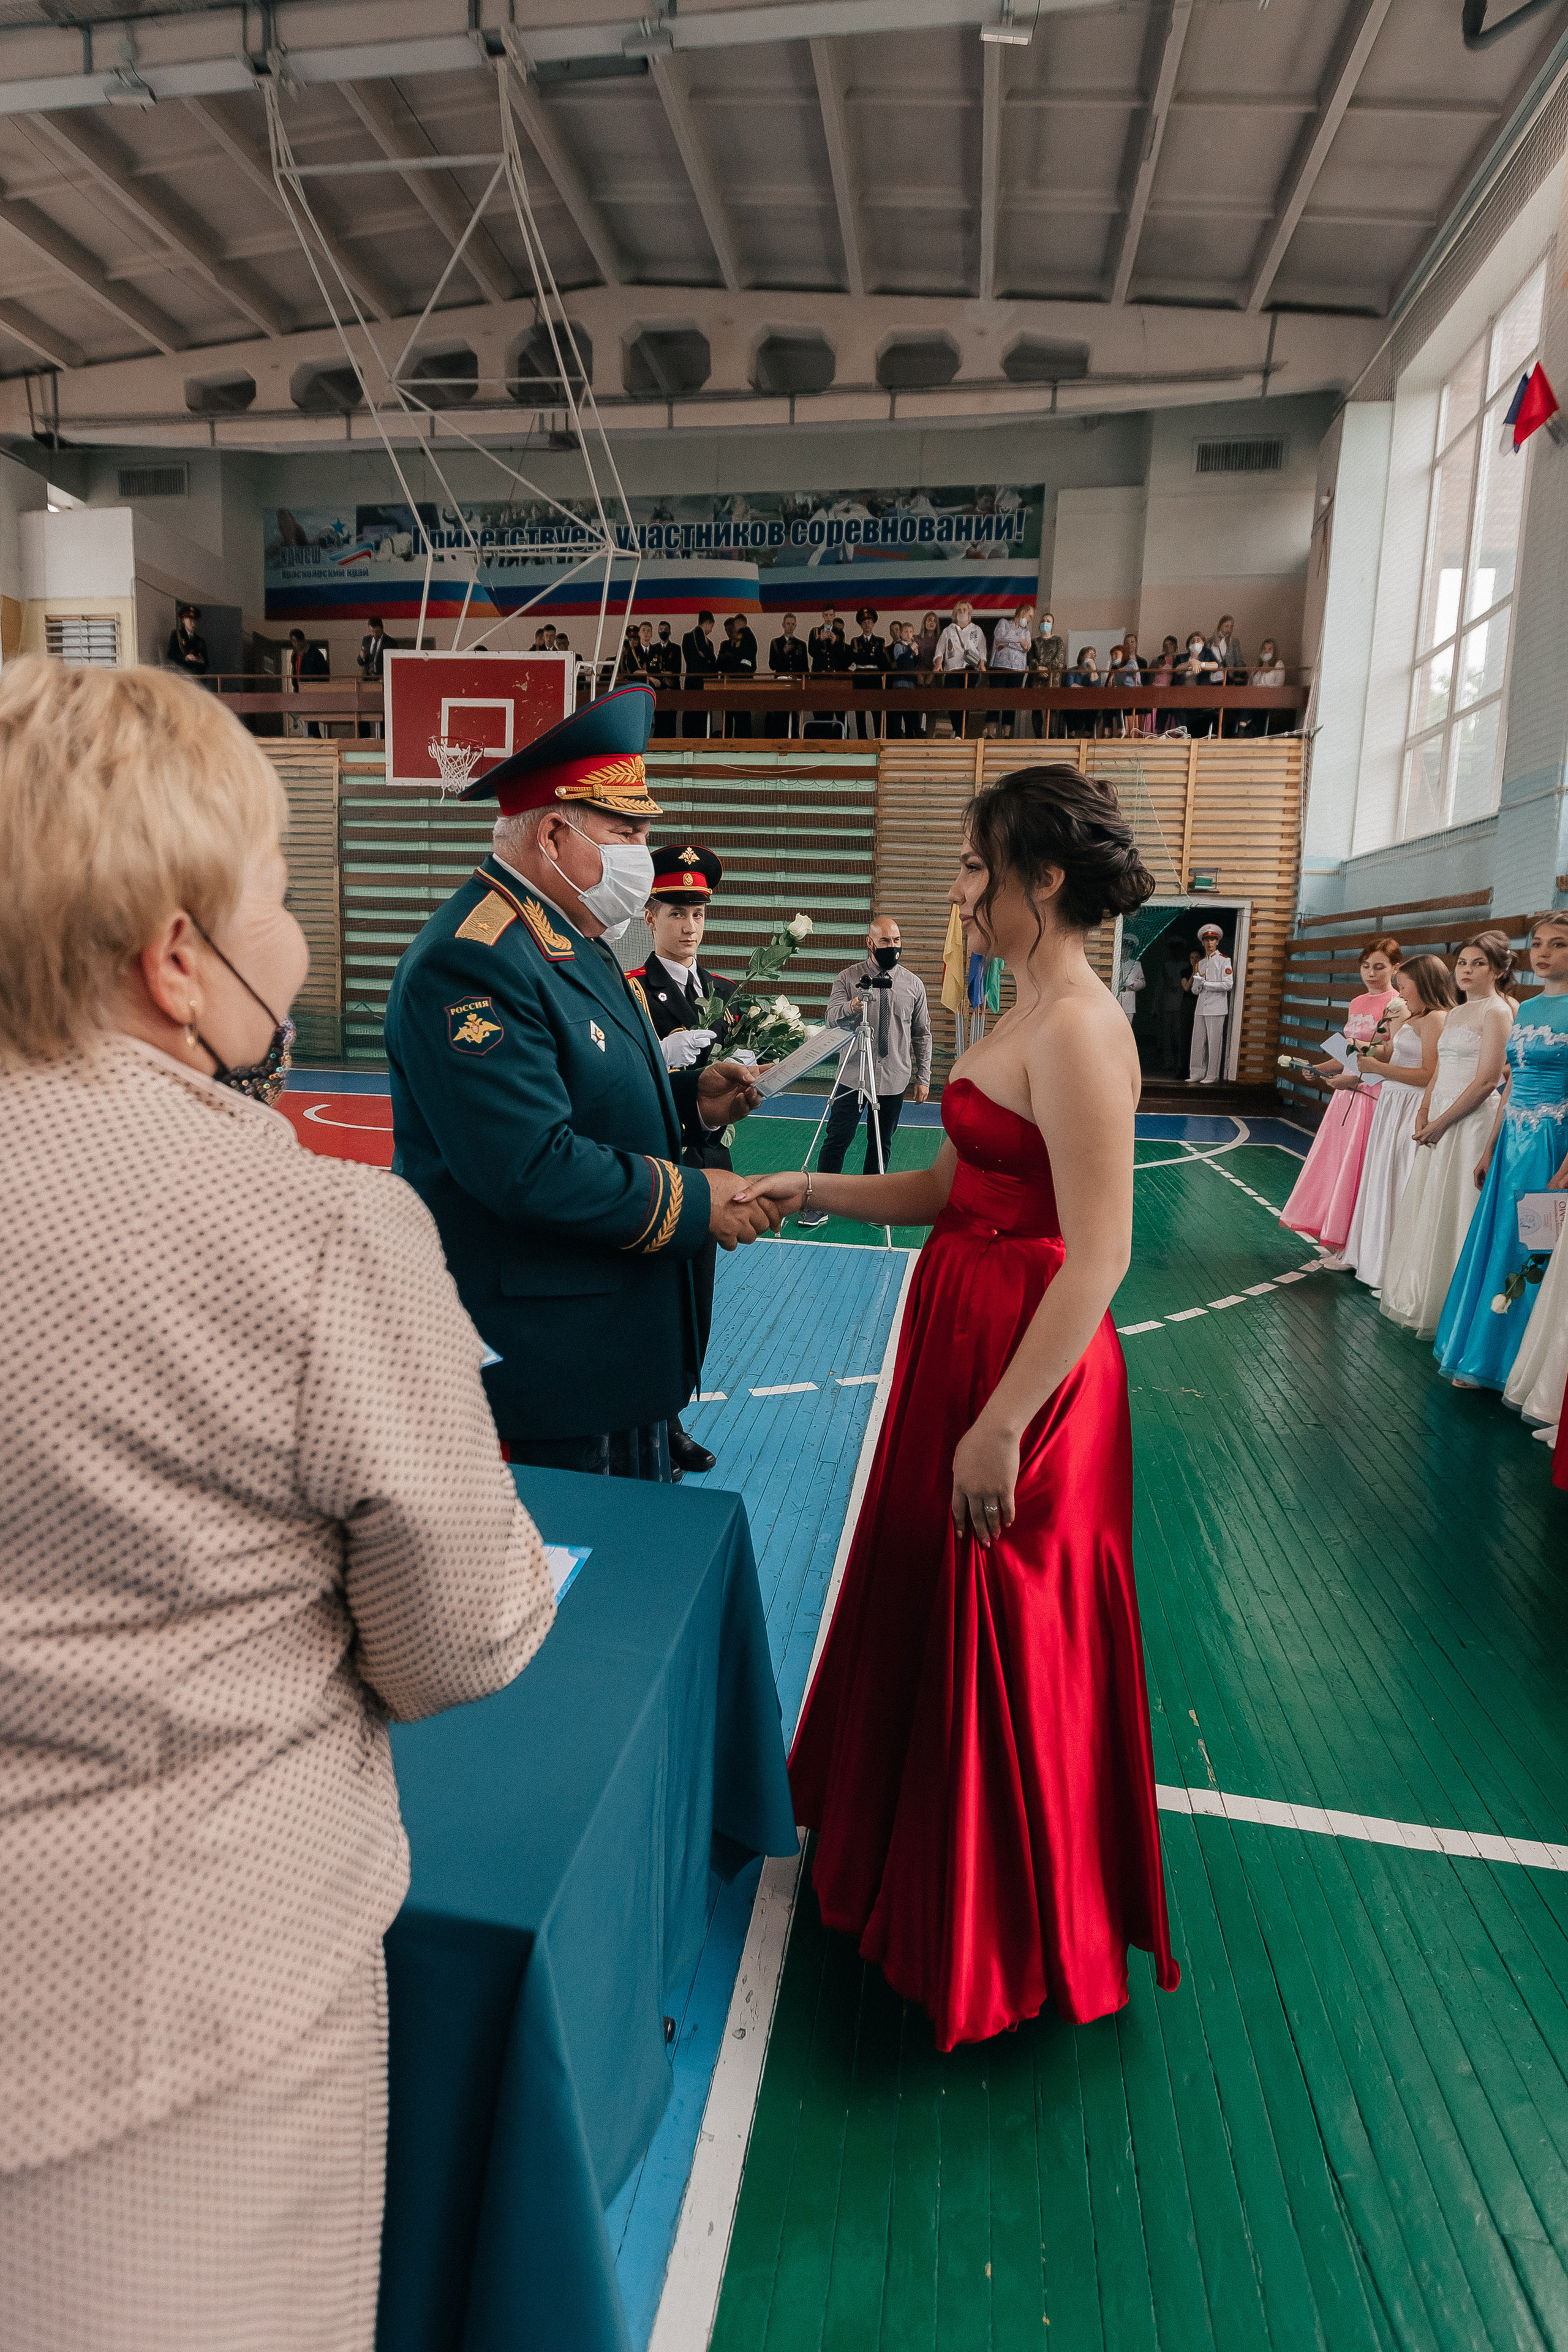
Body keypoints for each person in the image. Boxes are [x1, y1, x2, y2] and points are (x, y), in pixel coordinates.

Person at [0, 657, 554, 2350]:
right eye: (274, 894)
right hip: (180, 2036)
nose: (294, 936)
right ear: (179, 954)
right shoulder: (313, 1235)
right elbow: (463, 1636)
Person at [731, 764, 1179, 2048]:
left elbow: (1096, 1253)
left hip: (1025, 1370)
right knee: (940, 1607)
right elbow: (948, 1185)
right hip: (964, 1329)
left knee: (1008, 1628)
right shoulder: (1015, 1011)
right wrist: (808, 1194)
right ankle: (927, 1878)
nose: (960, 890)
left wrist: (998, 1423)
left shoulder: (1082, 1026)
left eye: (978, 866)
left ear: (1042, 878)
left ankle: (1009, 1931)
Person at [382, 686, 781, 1480]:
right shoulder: (475, 959)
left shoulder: (574, 938)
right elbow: (527, 1165)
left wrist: (689, 1100)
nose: (644, 851)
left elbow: (584, 1089)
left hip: (609, 1345)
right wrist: (698, 1201)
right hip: (550, 1368)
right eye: (626, 831)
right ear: (555, 834)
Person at [627, 844, 736, 1476]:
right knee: (656, 1300)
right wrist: (661, 1058)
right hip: (658, 1167)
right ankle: (657, 1420)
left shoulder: (726, 992)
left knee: (697, 1300)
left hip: (711, 1168)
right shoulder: (631, 992)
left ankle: (675, 1411)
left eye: (697, 913)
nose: (689, 926)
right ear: (650, 917)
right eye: (675, 913)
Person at [1434, 910, 1568, 1392]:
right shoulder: (1528, 1009)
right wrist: (1490, 1146)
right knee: (1498, 1237)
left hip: (1551, 1147)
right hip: (1512, 1141)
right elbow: (1510, 1086)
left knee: (1536, 1245)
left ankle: (1520, 1363)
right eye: (1538, 943)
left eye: (1558, 944)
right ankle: (1484, 1353)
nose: (1545, 953)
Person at [1382, 933, 1515, 1336]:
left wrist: (1442, 1123)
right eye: (1463, 963)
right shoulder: (1458, 1012)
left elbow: (1487, 1081)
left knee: (1460, 1207)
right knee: (1433, 1202)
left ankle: (1458, 1306)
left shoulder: (1496, 1012)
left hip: (1469, 1122)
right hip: (1439, 1114)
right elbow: (1440, 1069)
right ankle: (1427, 1291)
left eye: (1478, 964)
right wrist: (1425, 1110)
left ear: (1498, 970)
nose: (1467, 971)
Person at [799, 917, 932, 1227]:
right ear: (870, 943)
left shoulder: (913, 984)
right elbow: (831, 1018)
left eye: (897, 940)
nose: (892, 947)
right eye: (885, 941)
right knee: (836, 1140)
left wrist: (923, 1078)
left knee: (881, 1142)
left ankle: (873, 1206)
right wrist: (852, 1007)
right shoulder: (848, 979)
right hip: (852, 1077)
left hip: (894, 1077)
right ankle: (820, 1202)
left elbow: (922, 1034)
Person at [1336, 952, 1457, 1286]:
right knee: (1382, 1176)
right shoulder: (1415, 1018)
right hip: (1393, 1102)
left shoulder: (1436, 1019)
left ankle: (1394, 1268)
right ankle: (1371, 1258)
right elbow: (1393, 1052)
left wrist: (1376, 1068)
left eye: (1405, 987)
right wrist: (1360, 1048)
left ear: (1424, 985)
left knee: (1401, 1178)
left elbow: (1430, 1073)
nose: (1399, 994)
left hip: (1411, 1102)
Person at [933, 599, 987, 739]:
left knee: (964, 701)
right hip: (952, 670)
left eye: (965, 610)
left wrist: (982, 665)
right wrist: (939, 664)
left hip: (970, 670)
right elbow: (940, 650)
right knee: (952, 700)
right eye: (959, 610)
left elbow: (982, 650)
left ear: (970, 613)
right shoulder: (948, 630)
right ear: (955, 613)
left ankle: (960, 733)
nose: (962, 612)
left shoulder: (977, 630)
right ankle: (956, 728)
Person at [1187, 922, 1232, 1082]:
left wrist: (1206, 984)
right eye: (1206, 940)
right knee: (1198, 1041)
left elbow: (1228, 984)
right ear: (1202, 943)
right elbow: (1194, 990)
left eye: (1212, 940)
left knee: (1214, 1043)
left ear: (1217, 942)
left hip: (1217, 1007)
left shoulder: (1224, 961)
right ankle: (1197, 1073)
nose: (1209, 943)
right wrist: (1198, 986)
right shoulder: (1201, 963)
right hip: (1201, 1006)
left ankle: (1212, 1074)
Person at [990, 600, 1033, 737]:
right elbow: (999, 636)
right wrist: (1018, 641)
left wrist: (1009, 643)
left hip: (1017, 670)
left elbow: (1026, 648)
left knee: (1011, 700)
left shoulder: (1026, 633)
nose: (1030, 620)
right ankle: (991, 733)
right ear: (1022, 613)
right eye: (1030, 616)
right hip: (999, 666)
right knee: (995, 698)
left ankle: (1007, 734)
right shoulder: (1004, 623)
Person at [766, 609, 809, 737]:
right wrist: (783, 652)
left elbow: (805, 668)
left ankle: (794, 738)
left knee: (795, 714)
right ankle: (780, 738)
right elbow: (772, 665)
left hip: (795, 682)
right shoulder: (776, 643)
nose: (790, 626)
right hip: (781, 681)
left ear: (795, 626)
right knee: (780, 713)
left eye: (793, 624)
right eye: (788, 623)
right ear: (783, 625)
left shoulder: (801, 644)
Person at [848, 605, 886, 739]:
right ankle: (862, 740)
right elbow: (855, 659)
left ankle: (878, 738)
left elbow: (880, 660)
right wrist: (869, 657)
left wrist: (866, 657)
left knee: (877, 711)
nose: (867, 625)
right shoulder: (855, 641)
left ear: (873, 623)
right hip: (860, 678)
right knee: (860, 711)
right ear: (860, 625)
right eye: (864, 622)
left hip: (875, 678)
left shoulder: (880, 641)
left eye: (869, 622)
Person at [716, 613, 756, 737]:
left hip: (742, 682)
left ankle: (743, 741)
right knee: (727, 715)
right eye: (726, 631)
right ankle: (726, 740)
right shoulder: (725, 645)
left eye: (731, 629)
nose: (729, 633)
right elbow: (718, 665)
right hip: (728, 684)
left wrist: (732, 657)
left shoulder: (746, 638)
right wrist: (726, 657)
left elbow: (748, 662)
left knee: (743, 714)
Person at [681, 609, 718, 737]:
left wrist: (707, 657)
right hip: (699, 682)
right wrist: (709, 657)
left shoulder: (707, 642)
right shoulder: (693, 636)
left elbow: (709, 658)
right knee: (697, 714)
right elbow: (711, 659)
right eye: (711, 627)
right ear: (707, 623)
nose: (711, 630)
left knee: (696, 713)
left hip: (697, 682)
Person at [288, 627, 330, 737]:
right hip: (300, 690)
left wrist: (317, 688)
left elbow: (325, 674)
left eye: (297, 641)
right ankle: (310, 738)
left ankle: (315, 739)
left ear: (303, 641)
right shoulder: (295, 655)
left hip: (313, 691)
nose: (295, 644)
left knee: (312, 720)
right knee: (304, 718)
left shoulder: (315, 654)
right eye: (293, 641)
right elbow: (295, 672)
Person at [884, 620, 919, 737]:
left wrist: (916, 654)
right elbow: (901, 660)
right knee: (898, 712)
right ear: (901, 634)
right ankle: (897, 736)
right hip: (900, 683)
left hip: (910, 683)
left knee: (910, 712)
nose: (908, 634)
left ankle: (910, 736)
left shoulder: (912, 647)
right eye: (905, 632)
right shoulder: (898, 646)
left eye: (910, 632)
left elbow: (915, 664)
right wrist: (911, 650)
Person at [165, 603, 208, 676]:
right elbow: (171, 655)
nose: (193, 623)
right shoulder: (177, 635)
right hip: (183, 676)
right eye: (190, 620)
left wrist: (201, 661)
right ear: (184, 621)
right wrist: (186, 658)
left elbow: (207, 663)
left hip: (197, 678)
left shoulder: (200, 641)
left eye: (194, 620)